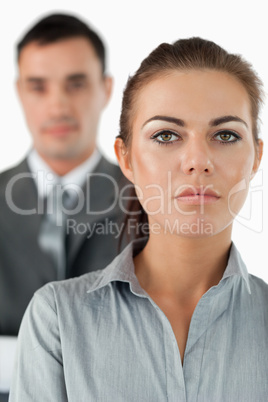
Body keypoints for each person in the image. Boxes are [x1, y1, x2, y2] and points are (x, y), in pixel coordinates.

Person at [9, 37, 268, 401]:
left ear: (256, 157)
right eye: (166, 135)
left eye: (225, 135)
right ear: (126, 158)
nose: (198, 160)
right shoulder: (56, 318)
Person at [0, 13, 130, 400]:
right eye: (38, 87)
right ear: (20, 92)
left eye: (76, 84)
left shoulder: (152, 205)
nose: (57, 105)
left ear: (106, 89)